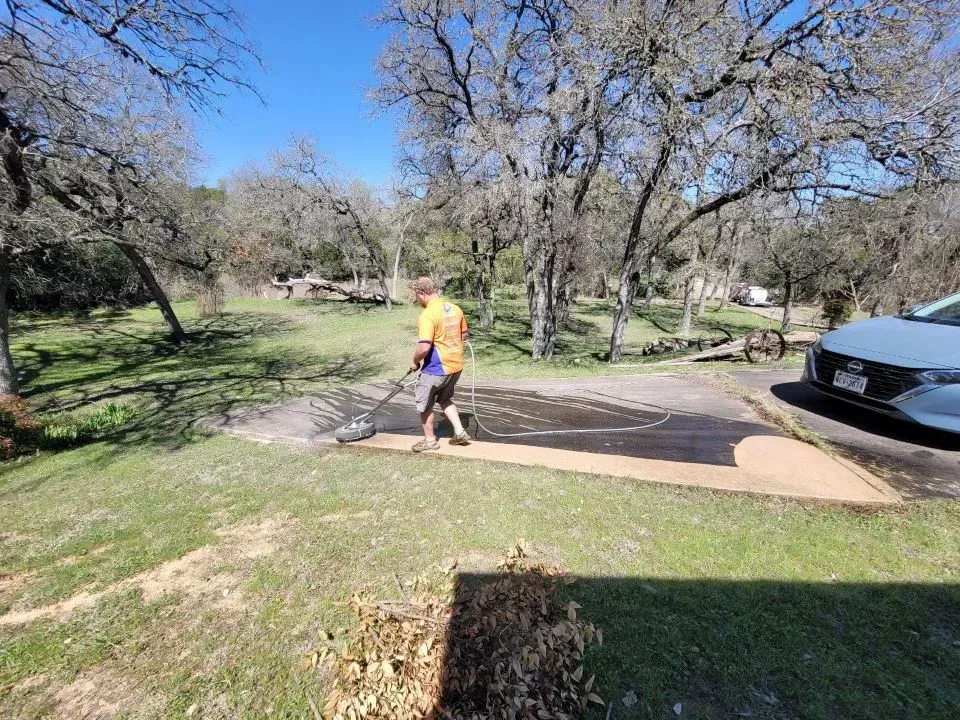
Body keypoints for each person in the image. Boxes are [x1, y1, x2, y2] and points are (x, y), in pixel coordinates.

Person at [409, 277, 471, 452]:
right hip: (455, 366)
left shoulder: (428, 314)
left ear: (422, 293)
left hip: (436, 369)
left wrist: (414, 362)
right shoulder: (455, 309)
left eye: (417, 296)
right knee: (444, 399)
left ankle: (430, 441)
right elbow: (464, 336)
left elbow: (424, 346)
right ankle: (459, 432)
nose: (418, 300)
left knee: (425, 405)